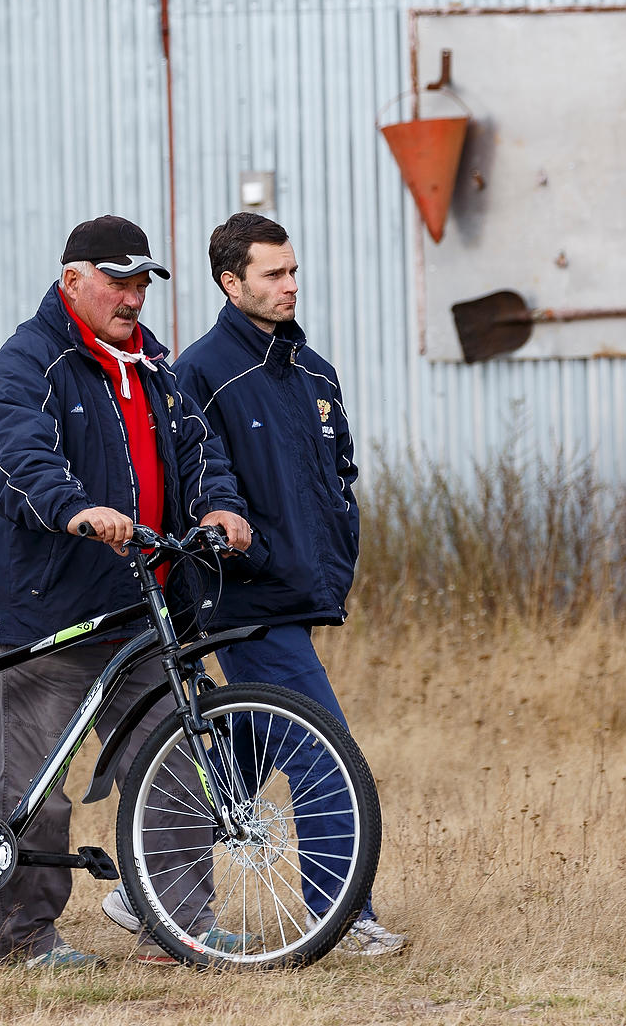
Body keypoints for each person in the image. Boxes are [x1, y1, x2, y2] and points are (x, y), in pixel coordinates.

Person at [0, 214, 253, 968]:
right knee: (36, 792)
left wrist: (219, 505)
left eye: (141, 284)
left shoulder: (152, 365)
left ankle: (180, 926)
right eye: (118, 282)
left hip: (141, 613)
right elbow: (19, 457)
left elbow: (198, 453)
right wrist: (74, 509)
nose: (133, 298)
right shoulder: (28, 362)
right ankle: (25, 939)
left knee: (175, 770)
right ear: (72, 281)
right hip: (49, 614)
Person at [170, 211, 407, 956]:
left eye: (293, 270)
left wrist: (337, 548)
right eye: (273, 274)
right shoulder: (200, 371)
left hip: (302, 591)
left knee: (250, 742)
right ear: (230, 282)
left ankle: (149, 874)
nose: (290, 285)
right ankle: (346, 917)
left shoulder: (314, 372)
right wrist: (244, 540)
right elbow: (198, 479)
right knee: (323, 749)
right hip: (243, 595)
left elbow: (339, 474)